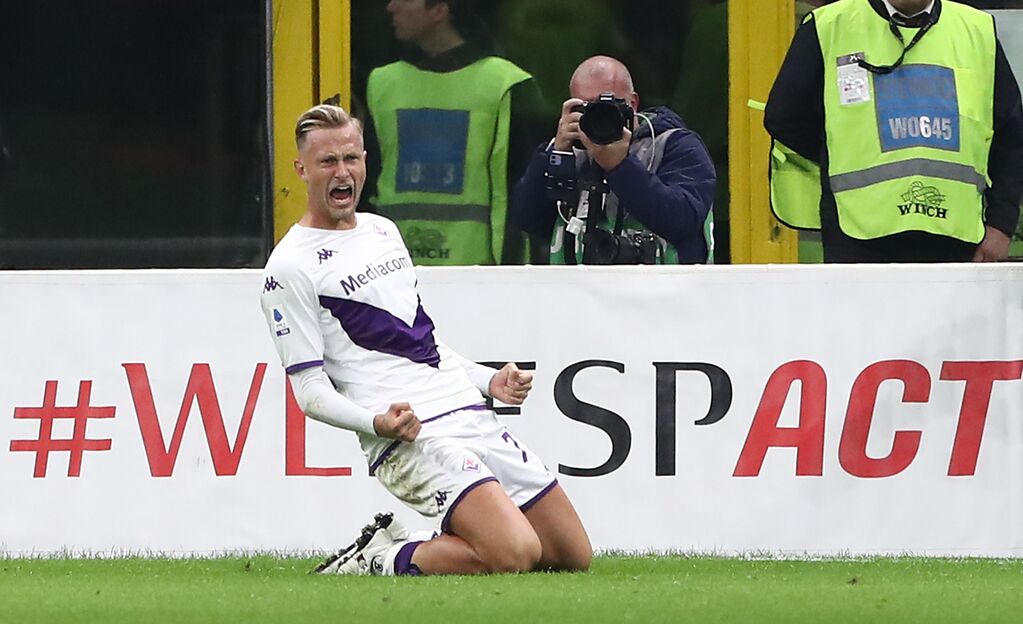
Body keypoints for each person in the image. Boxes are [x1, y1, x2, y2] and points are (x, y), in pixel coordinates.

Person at [259, 104, 592, 576]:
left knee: (570, 554)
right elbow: (310, 393)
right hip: (409, 435)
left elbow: (420, 344)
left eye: (351, 158)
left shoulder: (383, 231)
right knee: (515, 553)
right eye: (327, 161)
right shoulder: (290, 266)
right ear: (301, 169)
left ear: (365, 161)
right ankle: (376, 559)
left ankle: (424, 544)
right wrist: (377, 423)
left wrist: (488, 381)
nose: (342, 172)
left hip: (465, 410)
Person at [764, 0, 1023, 263]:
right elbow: (784, 117)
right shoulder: (828, 25)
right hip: (858, 239)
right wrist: (841, 153)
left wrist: (1001, 225)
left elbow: (1011, 136)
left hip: (955, 237)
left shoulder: (976, 29)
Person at [361, 0, 544, 265]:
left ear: (439, 10)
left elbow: (525, 189)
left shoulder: (506, 84)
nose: (391, 6)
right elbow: (364, 180)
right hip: (391, 266)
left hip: (477, 273)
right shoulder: (381, 83)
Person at [509, 55, 717, 264]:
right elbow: (528, 220)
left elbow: (682, 220)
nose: (597, 115)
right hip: (577, 284)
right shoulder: (570, 150)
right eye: (585, 108)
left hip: (660, 285)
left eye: (606, 105)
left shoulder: (673, 146)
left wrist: (620, 167)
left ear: (632, 103)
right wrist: (554, 154)